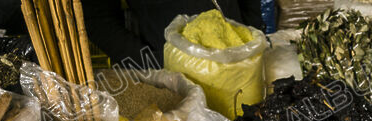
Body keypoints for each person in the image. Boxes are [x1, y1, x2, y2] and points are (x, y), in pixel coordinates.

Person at [82, 0, 263, 67]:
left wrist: (251, 32)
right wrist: (153, 60)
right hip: (177, 76)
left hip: (242, 62)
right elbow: (98, 19)